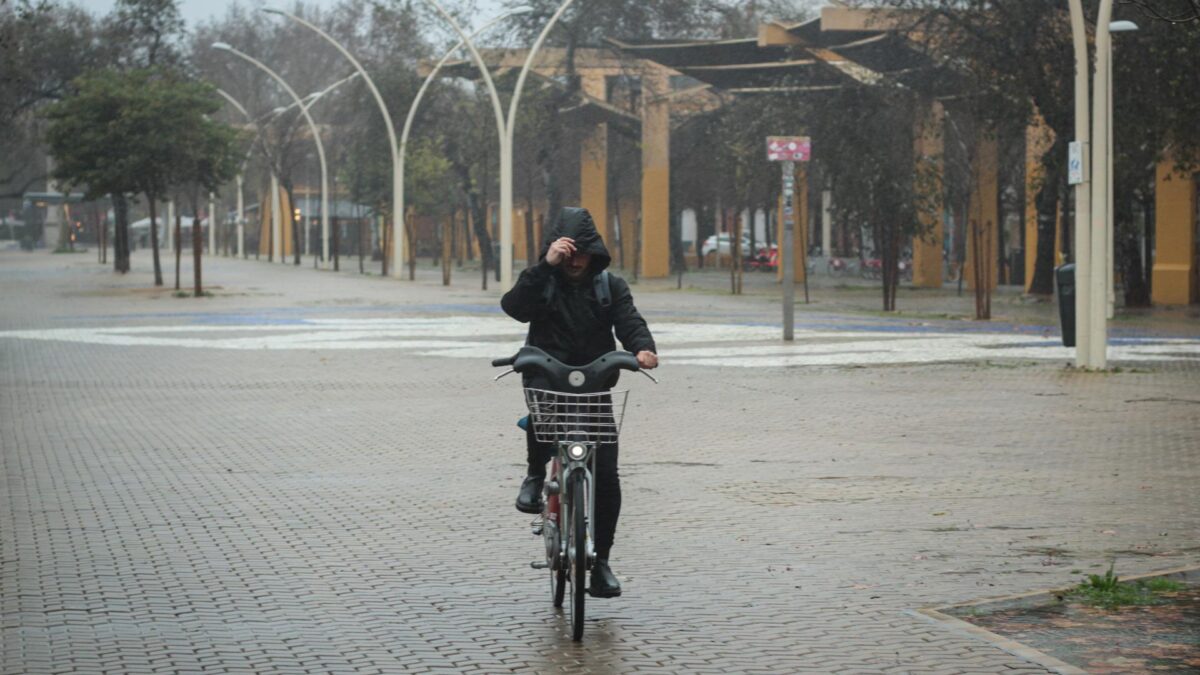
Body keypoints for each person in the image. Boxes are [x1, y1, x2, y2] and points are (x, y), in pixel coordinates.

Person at [500, 206, 657, 599]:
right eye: (567, 252)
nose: (574, 261)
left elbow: (630, 322)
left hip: (595, 381)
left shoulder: (610, 286)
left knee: (606, 474)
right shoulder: (543, 282)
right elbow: (515, 308)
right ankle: (536, 475)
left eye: (581, 252)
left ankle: (600, 561)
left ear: (594, 251)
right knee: (542, 409)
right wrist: (544, 267)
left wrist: (643, 349)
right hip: (546, 374)